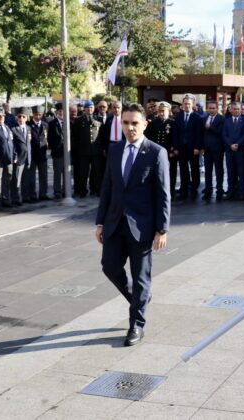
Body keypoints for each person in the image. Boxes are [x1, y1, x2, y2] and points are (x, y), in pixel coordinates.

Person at [95, 103, 171, 347]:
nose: (130, 128)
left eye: (134, 123)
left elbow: (163, 194)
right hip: (115, 223)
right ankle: (140, 299)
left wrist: (162, 229)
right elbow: (107, 188)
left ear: (145, 124)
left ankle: (136, 324)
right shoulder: (115, 150)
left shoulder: (156, 152)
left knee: (141, 278)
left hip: (144, 227)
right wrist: (100, 222)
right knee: (109, 267)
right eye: (125, 123)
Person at [173, 94, 203, 200]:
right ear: (182, 104)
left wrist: (197, 147)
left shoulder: (197, 117)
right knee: (182, 169)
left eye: (189, 104)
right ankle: (184, 188)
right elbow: (175, 133)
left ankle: (194, 188)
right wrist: (176, 147)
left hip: (193, 148)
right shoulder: (178, 116)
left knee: (194, 168)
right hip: (181, 148)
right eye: (185, 104)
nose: (187, 106)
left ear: (192, 105)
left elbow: (199, 134)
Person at [145, 101, 177, 198]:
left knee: (171, 173)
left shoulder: (172, 123)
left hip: (169, 152)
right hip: (156, 152)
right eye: (160, 111)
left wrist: (172, 151)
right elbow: (149, 138)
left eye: (163, 111)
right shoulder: (153, 123)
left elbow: (175, 137)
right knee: (156, 173)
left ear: (168, 111)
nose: (161, 113)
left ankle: (171, 192)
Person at [73, 100, 103, 197]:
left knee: (96, 172)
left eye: (91, 107)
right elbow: (75, 136)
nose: (89, 109)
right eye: (87, 107)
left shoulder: (99, 119)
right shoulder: (78, 120)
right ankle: (83, 191)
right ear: (84, 109)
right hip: (83, 151)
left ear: (93, 108)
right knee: (83, 172)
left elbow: (102, 135)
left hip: (96, 150)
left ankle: (96, 189)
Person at [222, 102, 244, 200]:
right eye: (235, 109)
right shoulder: (226, 121)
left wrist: (238, 144)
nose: (237, 110)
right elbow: (224, 135)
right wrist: (230, 145)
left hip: (240, 150)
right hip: (229, 151)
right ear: (231, 110)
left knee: (241, 172)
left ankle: (242, 192)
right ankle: (231, 192)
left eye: (238, 109)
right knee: (230, 172)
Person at [201, 101, 226, 201]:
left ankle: (219, 191)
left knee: (219, 171)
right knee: (208, 171)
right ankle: (208, 190)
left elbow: (221, 133)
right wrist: (202, 147)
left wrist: (210, 127)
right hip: (207, 149)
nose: (211, 110)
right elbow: (202, 134)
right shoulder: (204, 119)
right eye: (209, 108)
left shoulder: (221, 119)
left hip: (218, 149)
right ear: (207, 109)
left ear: (217, 108)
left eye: (213, 108)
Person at [0, 106, 15, 208]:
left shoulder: (7, 127)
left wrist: (14, 155)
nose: (1, 117)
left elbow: (11, 143)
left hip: (9, 158)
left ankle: (6, 199)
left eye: (3, 115)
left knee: (7, 180)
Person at [26, 105, 50, 201]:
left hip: (42, 153)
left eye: (39, 115)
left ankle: (43, 194)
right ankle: (33, 195)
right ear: (33, 115)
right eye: (36, 114)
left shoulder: (45, 125)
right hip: (33, 154)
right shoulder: (28, 125)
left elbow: (47, 137)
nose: (38, 116)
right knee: (32, 176)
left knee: (43, 175)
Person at [10, 107, 32, 207]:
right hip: (19, 157)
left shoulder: (28, 129)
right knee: (16, 180)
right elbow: (12, 144)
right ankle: (16, 198)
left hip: (27, 157)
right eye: (19, 116)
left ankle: (25, 196)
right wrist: (15, 156)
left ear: (26, 118)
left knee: (26, 179)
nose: (21, 118)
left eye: (23, 116)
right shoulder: (13, 129)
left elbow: (29, 144)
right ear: (16, 118)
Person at [48, 103, 67, 199]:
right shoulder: (52, 124)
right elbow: (50, 139)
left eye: (63, 111)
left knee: (67, 173)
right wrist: (54, 148)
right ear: (57, 112)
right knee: (57, 173)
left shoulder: (69, 123)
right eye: (60, 111)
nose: (62, 113)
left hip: (67, 152)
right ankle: (57, 192)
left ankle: (66, 191)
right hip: (57, 153)